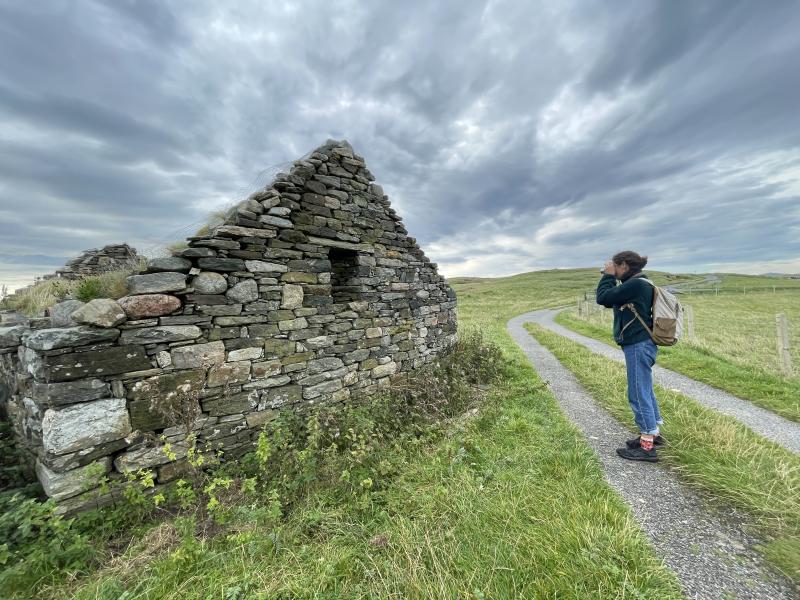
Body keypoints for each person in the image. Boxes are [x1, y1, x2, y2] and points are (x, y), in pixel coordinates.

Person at [596, 250, 664, 462]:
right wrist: (611, 277)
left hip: (638, 344)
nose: (612, 270)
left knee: (637, 392)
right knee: (645, 389)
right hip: (643, 343)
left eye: (615, 266)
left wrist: (607, 276)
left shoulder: (635, 284)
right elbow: (610, 301)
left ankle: (647, 446)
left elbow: (602, 297)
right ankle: (653, 434)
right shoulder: (639, 283)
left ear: (624, 265)